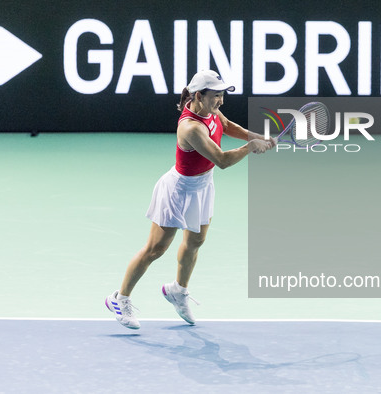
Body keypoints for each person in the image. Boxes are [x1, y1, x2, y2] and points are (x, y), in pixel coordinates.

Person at [105, 70, 274, 328]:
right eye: (216, 96)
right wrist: (250, 148)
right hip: (179, 191)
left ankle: (177, 290)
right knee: (155, 249)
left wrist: (255, 136)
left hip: (203, 186)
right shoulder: (191, 127)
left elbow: (228, 127)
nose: (220, 101)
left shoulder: (209, 109)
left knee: (195, 240)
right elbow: (222, 160)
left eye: (221, 96)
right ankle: (119, 298)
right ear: (198, 95)